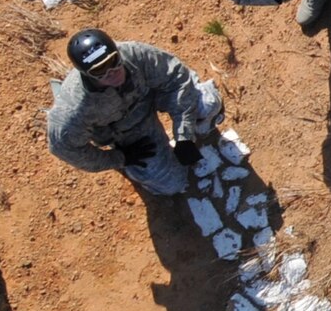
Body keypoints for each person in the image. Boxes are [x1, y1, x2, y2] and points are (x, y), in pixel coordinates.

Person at [45, 29, 221, 197]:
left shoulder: (134, 53)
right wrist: (119, 158)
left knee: (208, 102)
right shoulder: (73, 110)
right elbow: (65, 148)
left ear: (117, 52)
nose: (111, 73)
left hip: (149, 97)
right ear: (86, 75)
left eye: (113, 61)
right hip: (125, 131)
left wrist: (184, 135)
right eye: (99, 71)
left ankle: (199, 127)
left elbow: (177, 78)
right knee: (172, 183)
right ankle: (139, 173)